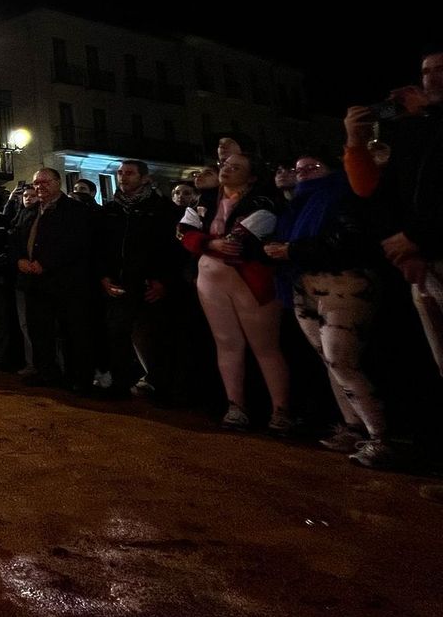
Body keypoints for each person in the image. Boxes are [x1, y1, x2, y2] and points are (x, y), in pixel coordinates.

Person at [264, 155, 393, 467]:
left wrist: (293, 250)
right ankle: (353, 427)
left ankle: (382, 437)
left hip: (344, 282)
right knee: (328, 360)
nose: (305, 173)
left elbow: (352, 239)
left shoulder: (344, 194)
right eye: (299, 169)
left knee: (342, 359)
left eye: (314, 167)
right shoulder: (297, 205)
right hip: (305, 284)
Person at [343, 50, 443, 376]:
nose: (431, 78)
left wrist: (417, 238)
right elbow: (379, 194)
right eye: (426, 71)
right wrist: (356, 142)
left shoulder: (427, 124)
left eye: (441, 70)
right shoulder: (416, 128)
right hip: (423, 262)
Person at [181, 151, 290, 431]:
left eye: (236, 167)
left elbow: (243, 236)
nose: (226, 169)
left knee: (265, 347)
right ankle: (236, 405)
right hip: (211, 279)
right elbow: (184, 231)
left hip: (249, 278)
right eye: (225, 165)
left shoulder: (262, 201)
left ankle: (281, 409)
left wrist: (209, 243)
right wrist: (209, 244)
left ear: (252, 176)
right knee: (226, 343)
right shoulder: (204, 199)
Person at [99, 159, 184, 400]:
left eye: (129, 173)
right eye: (120, 173)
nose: (123, 177)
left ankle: (162, 385)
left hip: (149, 284)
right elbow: (101, 247)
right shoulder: (110, 210)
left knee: (155, 336)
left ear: (144, 178)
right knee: (117, 334)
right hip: (119, 283)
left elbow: (172, 249)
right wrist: (104, 276)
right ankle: (121, 384)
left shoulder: (163, 209)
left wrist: (163, 281)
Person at [10, 168, 101, 391]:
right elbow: (14, 238)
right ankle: (46, 373)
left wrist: (47, 262)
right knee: (40, 331)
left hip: (65, 282)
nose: (40, 186)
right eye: (36, 183)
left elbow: (78, 243)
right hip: (34, 283)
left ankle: (78, 378)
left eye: (45, 182)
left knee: (73, 332)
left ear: (58, 182)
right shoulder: (29, 211)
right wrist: (19, 259)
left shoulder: (75, 211)